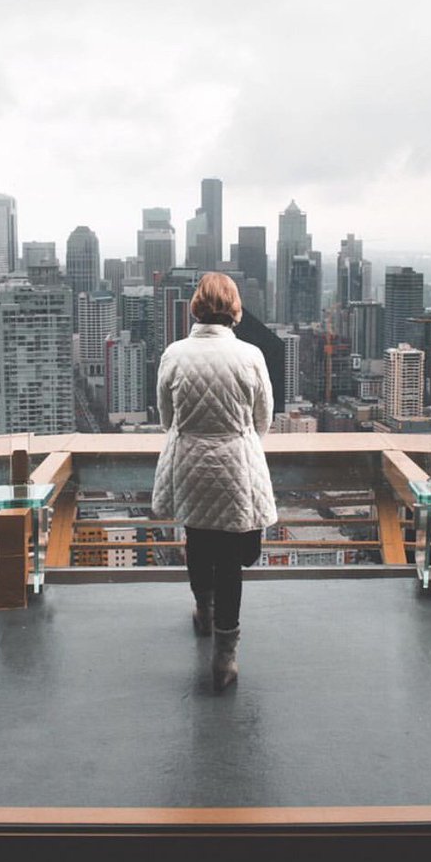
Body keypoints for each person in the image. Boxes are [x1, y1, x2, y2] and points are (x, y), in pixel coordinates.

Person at [152, 272, 277, 691]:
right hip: (236, 466)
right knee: (230, 561)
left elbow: (167, 420)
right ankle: (225, 656)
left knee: (197, 541)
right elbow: (263, 421)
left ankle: (203, 611)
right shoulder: (251, 355)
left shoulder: (173, 354)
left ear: (196, 307)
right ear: (235, 309)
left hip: (188, 463)